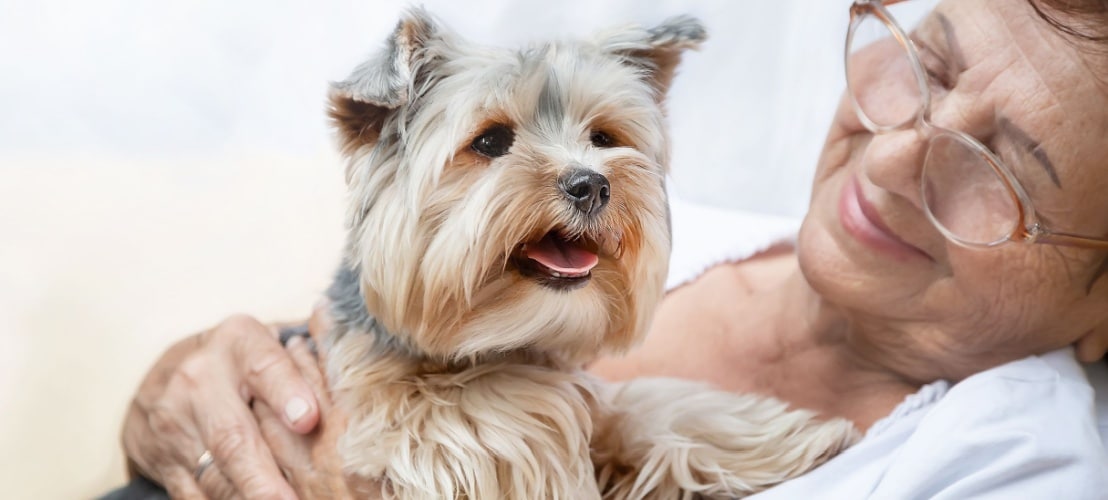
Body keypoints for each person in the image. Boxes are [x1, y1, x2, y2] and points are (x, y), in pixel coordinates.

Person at [109, 0, 1108, 497]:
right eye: (921, 67)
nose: (892, 159)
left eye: (1002, 165)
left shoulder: (1019, 466)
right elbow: (317, 355)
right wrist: (185, 394)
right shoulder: (662, 232)